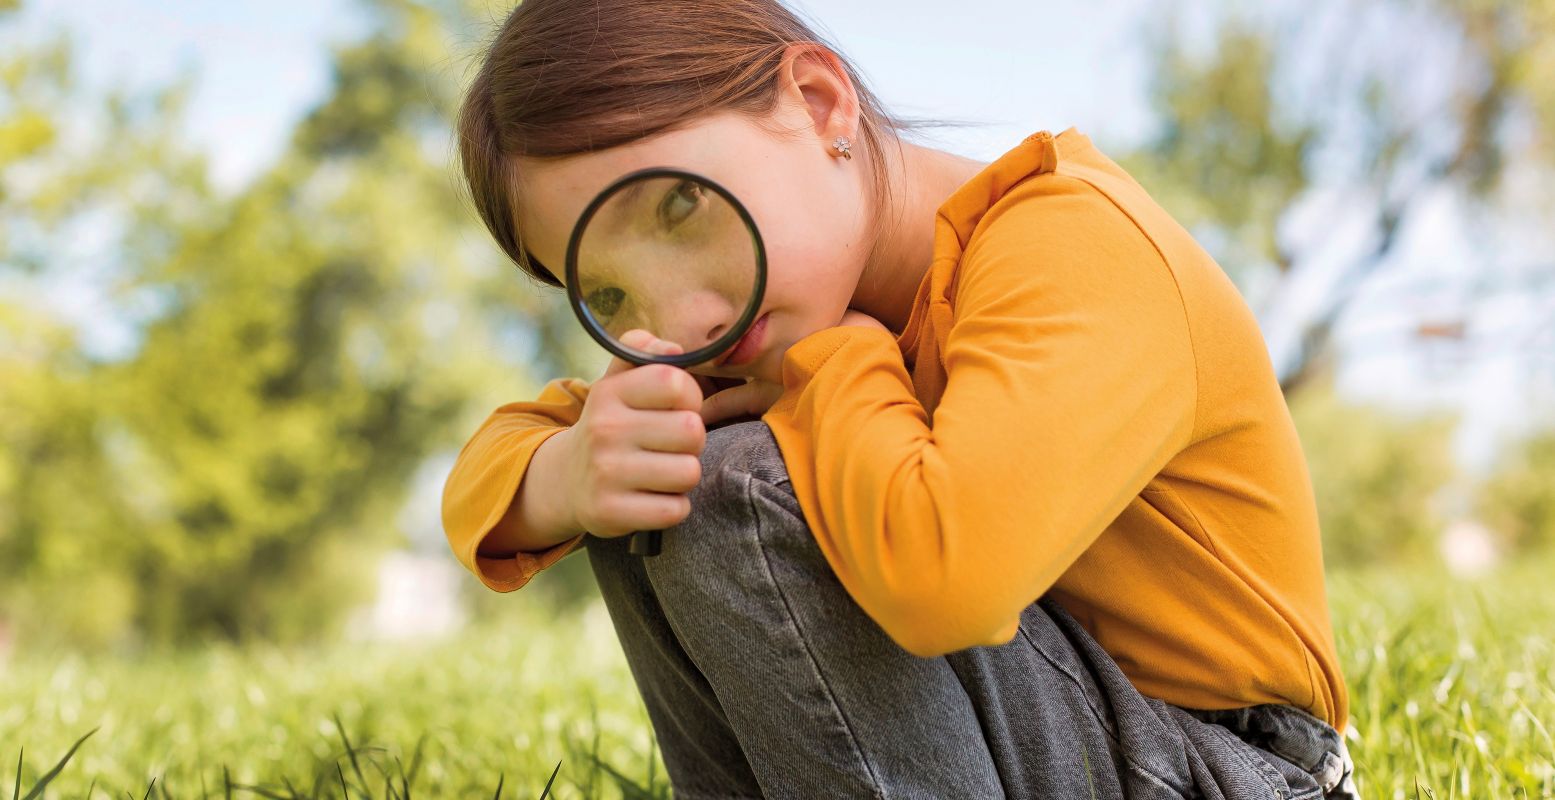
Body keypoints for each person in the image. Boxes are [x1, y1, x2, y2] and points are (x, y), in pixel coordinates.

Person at [442, 1, 1361, 797]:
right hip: (1068, 749)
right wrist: (568, 472)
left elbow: (947, 582)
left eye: (681, 206)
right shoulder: (742, 328)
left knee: (734, 485)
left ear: (817, 104)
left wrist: (839, 358)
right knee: (646, 460)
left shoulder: (1071, 244)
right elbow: (501, 456)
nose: (681, 319)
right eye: (608, 296)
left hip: (1225, 768)